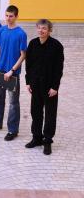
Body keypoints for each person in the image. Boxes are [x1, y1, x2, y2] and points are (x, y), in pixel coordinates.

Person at [0, 5, 27, 141]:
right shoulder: (1, 30)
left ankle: (13, 130)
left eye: (11, 16)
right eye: (7, 15)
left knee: (13, 103)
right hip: (0, 71)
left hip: (11, 73)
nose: (8, 18)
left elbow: (23, 55)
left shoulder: (21, 33)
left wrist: (12, 70)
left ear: (16, 16)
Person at [24, 19, 64, 155]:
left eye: (44, 29)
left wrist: (55, 87)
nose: (41, 31)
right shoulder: (33, 44)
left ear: (49, 30)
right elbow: (28, 64)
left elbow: (59, 68)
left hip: (50, 87)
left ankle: (47, 141)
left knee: (50, 114)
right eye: (39, 28)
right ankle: (36, 138)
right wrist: (28, 82)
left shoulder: (56, 46)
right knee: (35, 112)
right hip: (35, 84)